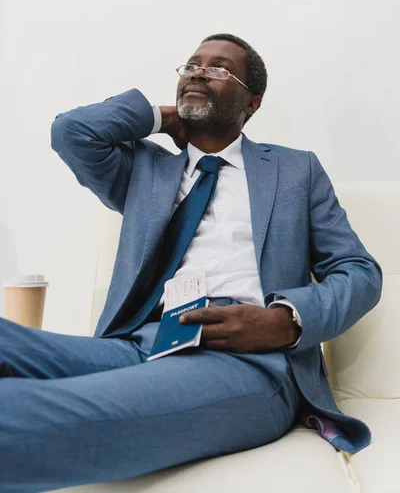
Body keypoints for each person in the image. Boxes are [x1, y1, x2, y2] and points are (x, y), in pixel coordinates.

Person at [0, 34, 382, 493]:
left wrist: (284, 321)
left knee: (30, 413)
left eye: (219, 69)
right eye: (191, 66)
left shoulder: (295, 170)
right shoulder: (145, 169)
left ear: (252, 102)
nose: (198, 72)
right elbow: (71, 133)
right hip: (136, 346)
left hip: (243, 358)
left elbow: (359, 271)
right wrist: (163, 118)